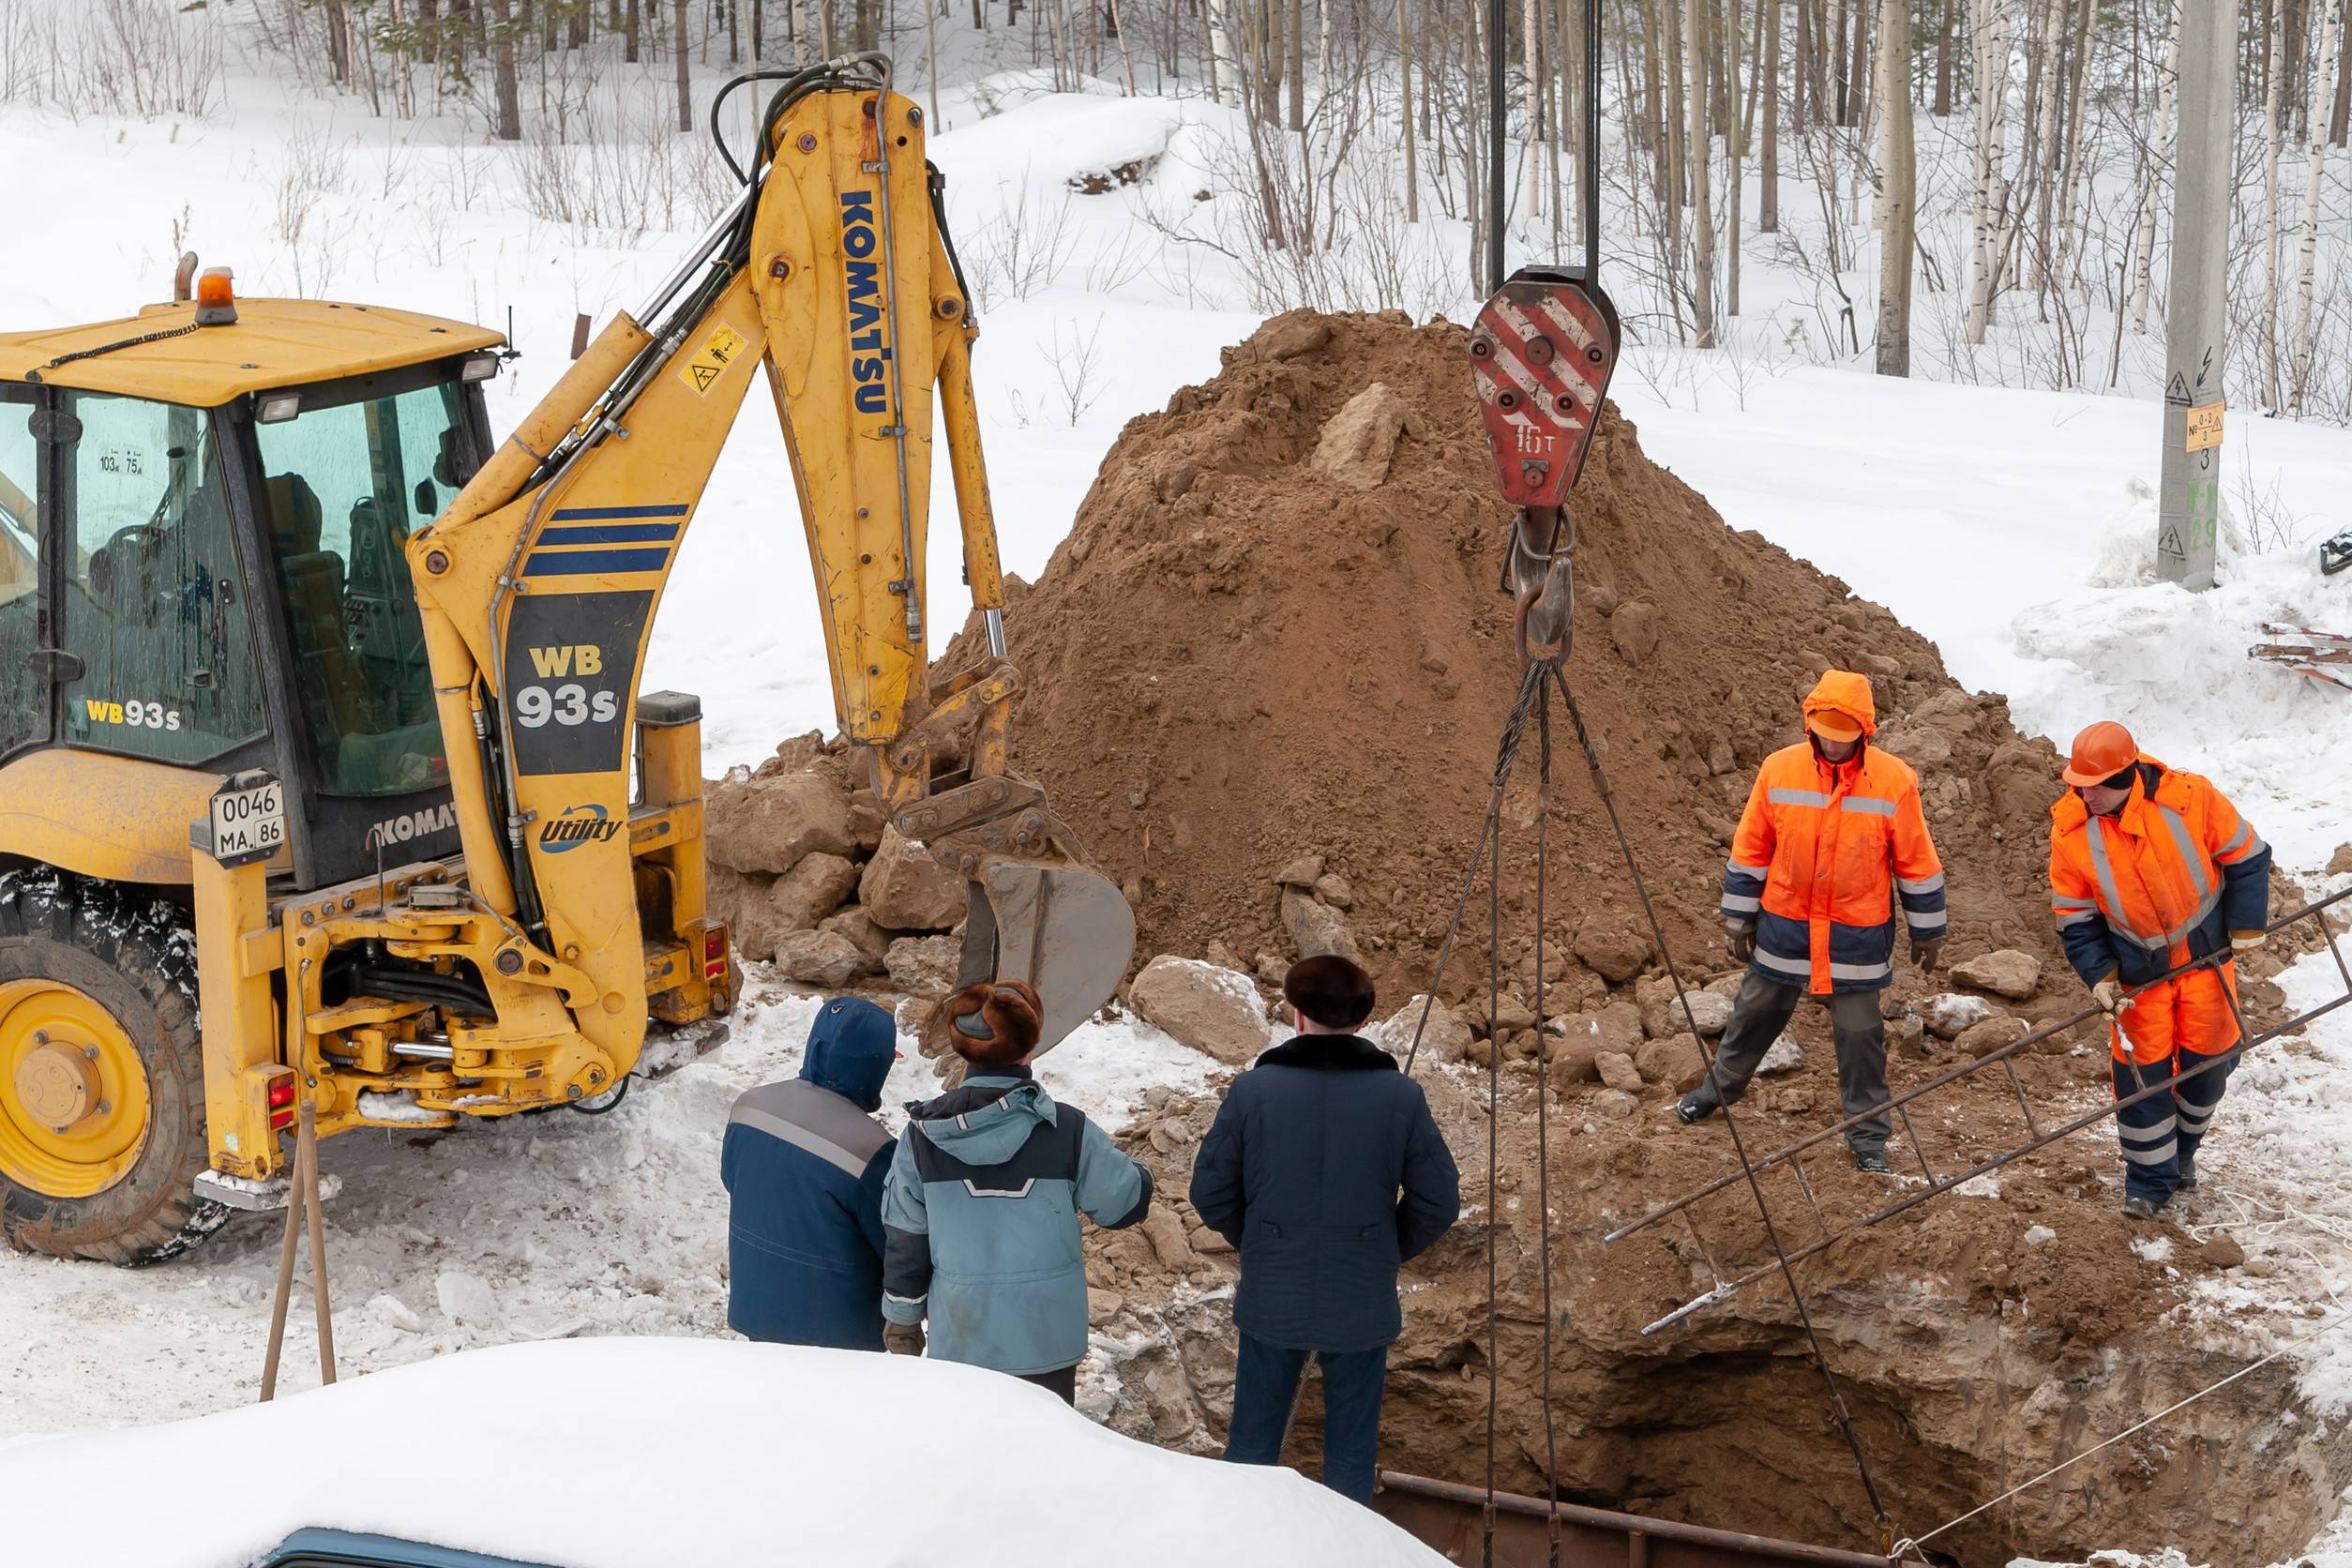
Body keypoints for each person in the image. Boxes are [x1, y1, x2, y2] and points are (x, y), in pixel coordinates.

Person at [1188, 956, 1461, 1506]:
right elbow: (1438, 1202)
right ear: (1362, 1023)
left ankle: (1242, 1544)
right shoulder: (1400, 1096)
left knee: (1253, 1444)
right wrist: (1383, 1250)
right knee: (1352, 1449)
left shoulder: (1253, 1091)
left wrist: (1261, 1242)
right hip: (1361, 1294)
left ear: (1296, 1015)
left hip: (1274, 1292)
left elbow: (1210, 1191)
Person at [1677, 670, 1948, 1173]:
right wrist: (1738, 916)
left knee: (1860, 1033)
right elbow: (1752, 848)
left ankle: (1868, 1135)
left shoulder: (1895, 781)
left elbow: (1916, 860)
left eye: (1843, 735)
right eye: (1824, 732)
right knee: (1753, 1012)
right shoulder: (1779, 770)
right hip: (1786, 923)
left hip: (1855, 933)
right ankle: (1716, 1092)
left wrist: (1928, 928)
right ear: (1810, 724)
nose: (1832, 743)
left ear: (1865, 731)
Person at [879, 979, 1152, 1403]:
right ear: (1029, 1048)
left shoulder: (921, 1139)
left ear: (961, 1048)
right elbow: (1124, 1206)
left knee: (972, 1456)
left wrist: (902, 1321)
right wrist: (1140, 1174)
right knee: (1041, 1457)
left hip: (962, 1339)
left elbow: (906, 1242)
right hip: (1047, 1343)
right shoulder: (1068, 1131)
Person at [2048, 721, 2270, 1218]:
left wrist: (2247, 924)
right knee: (2140, 1080)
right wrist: (2101, 977)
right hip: (2138, 980)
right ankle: (2147, 1183)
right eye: (2078, 787)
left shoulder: (2190, 800)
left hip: (2206, 964)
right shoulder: (2070, 832)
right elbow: (2075, 919)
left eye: (2097, 786)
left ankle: (2183, 1154)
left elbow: (2248, 857)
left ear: (2128, 774)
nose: (2087, 797)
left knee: (2209, 1068)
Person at [719, 995, 900, 1350]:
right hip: (838, 1337)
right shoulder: (872, 1149)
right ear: (878, 1066)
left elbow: (733, 1181)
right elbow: (896, 1245)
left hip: (757, 1309)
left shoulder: (749, 1106)